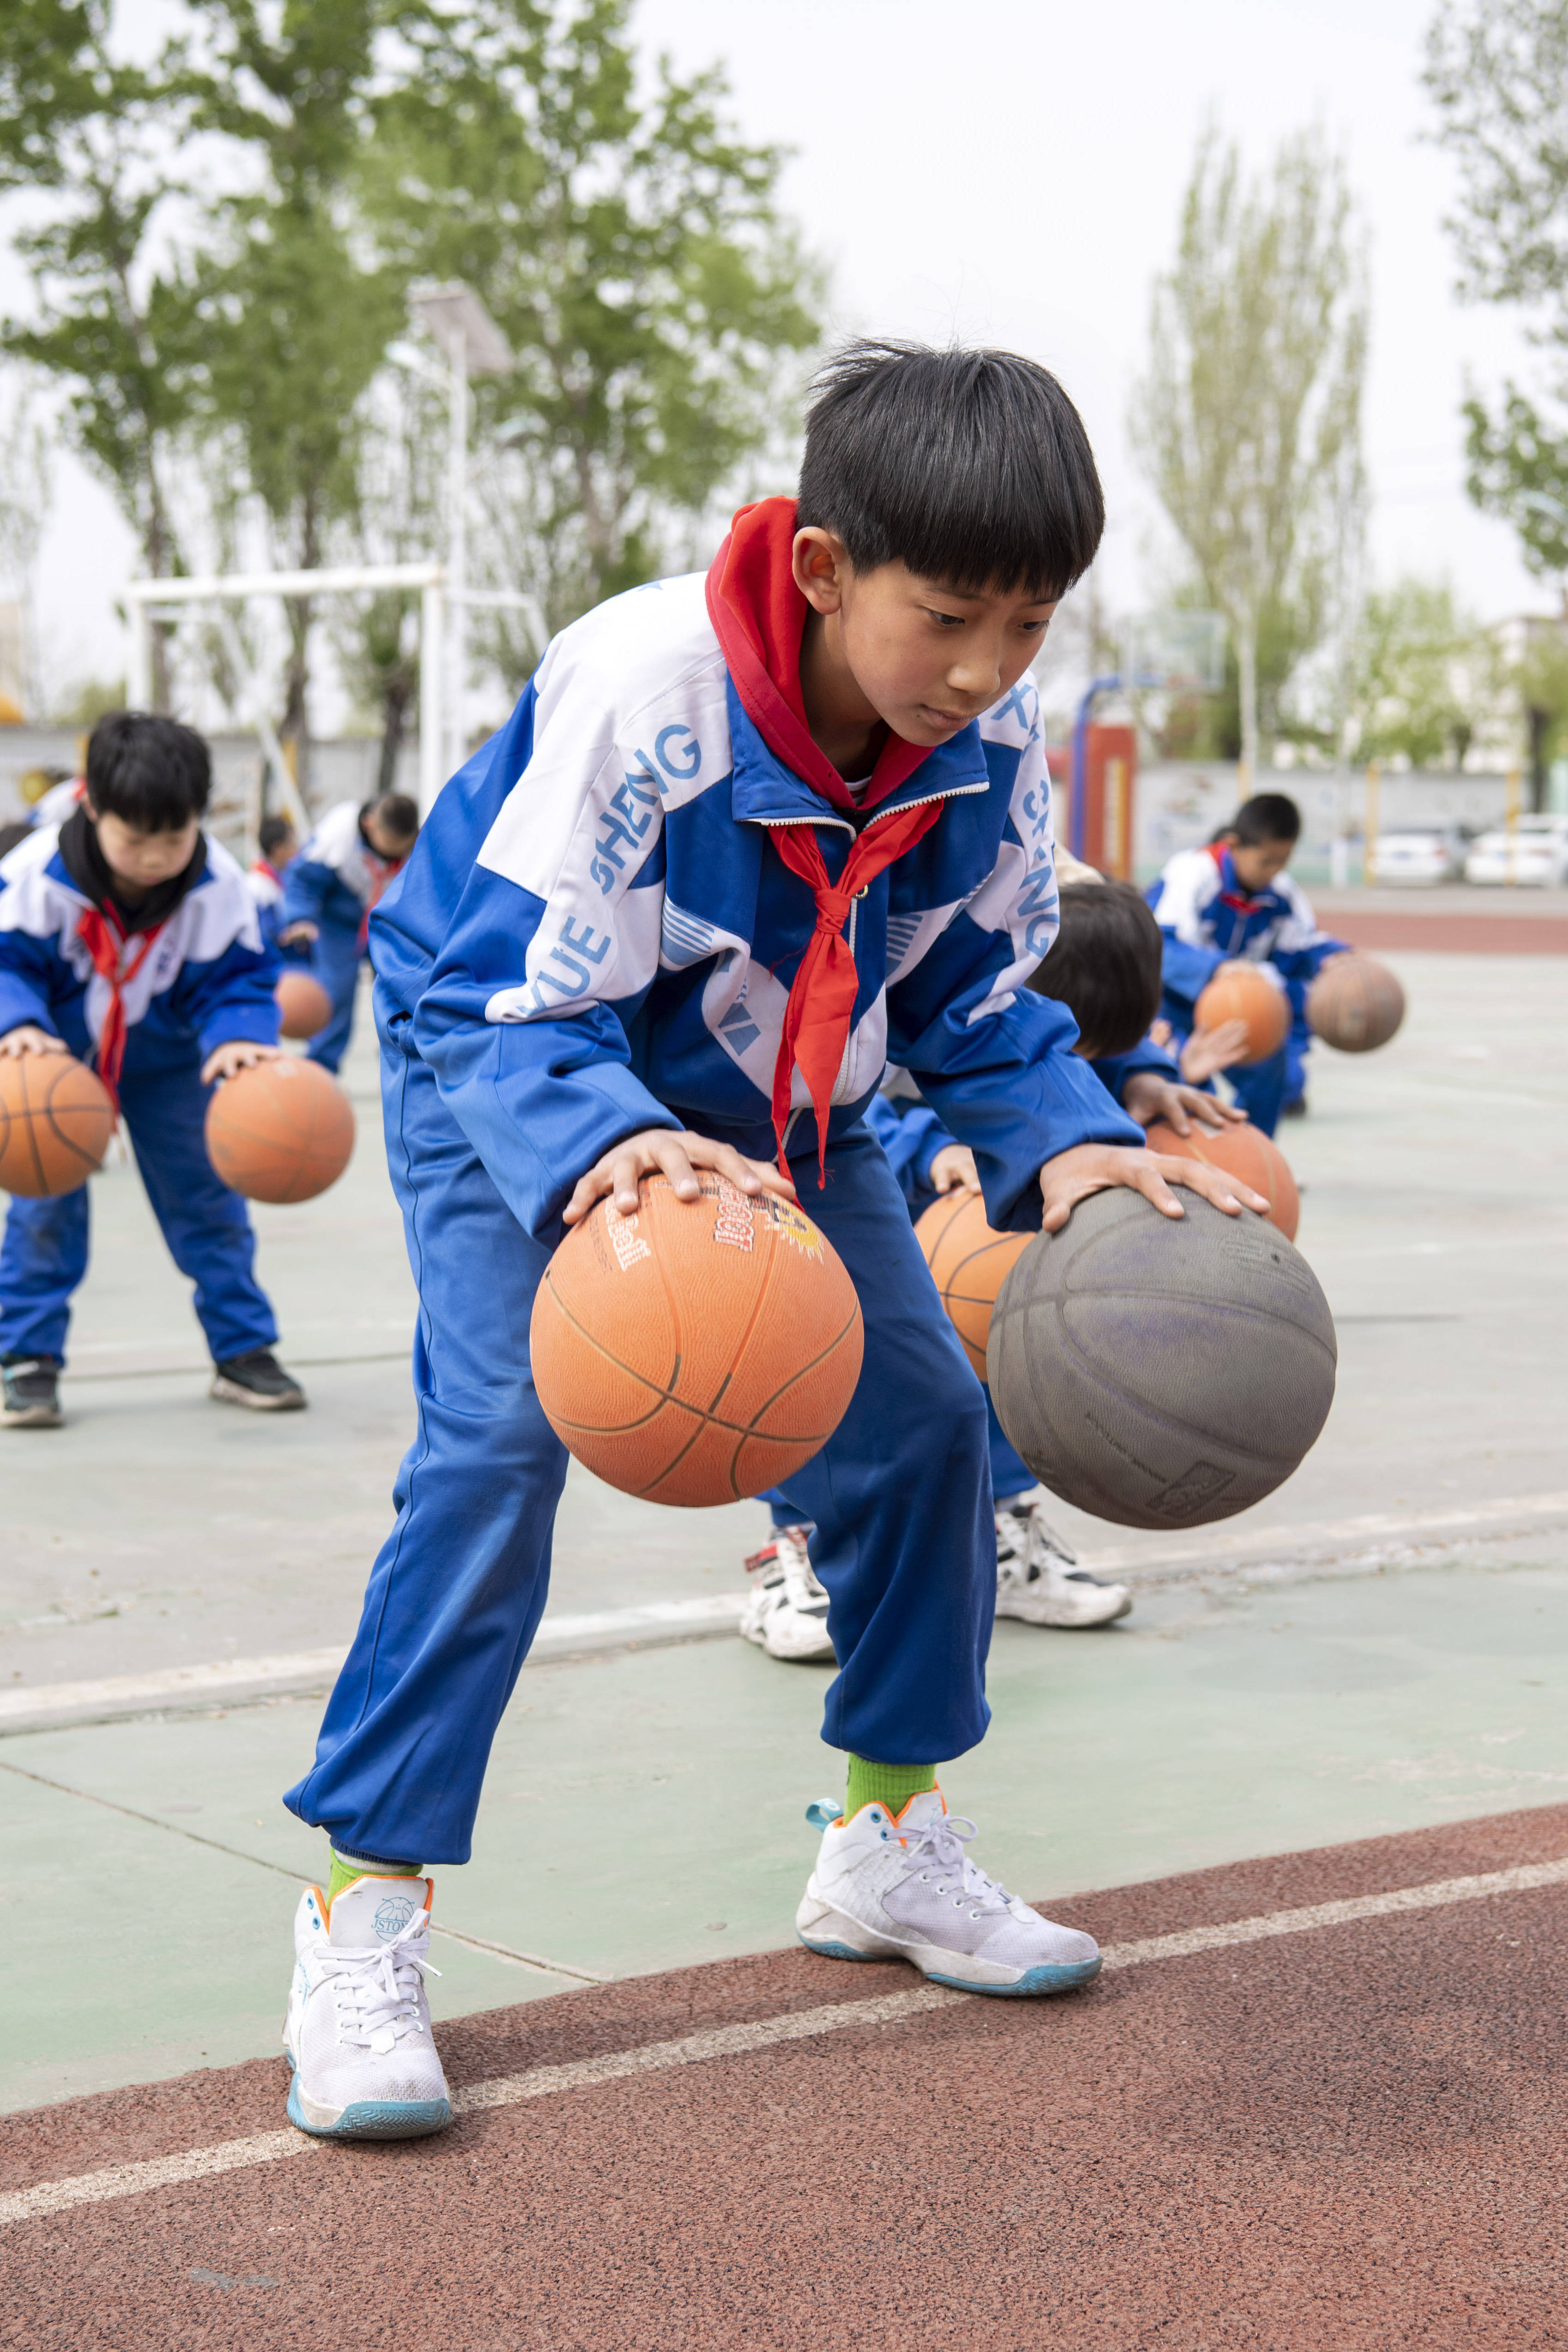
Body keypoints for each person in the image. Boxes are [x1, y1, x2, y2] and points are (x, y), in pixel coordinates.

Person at [277, 340, 1264, 2144]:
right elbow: (507, 996)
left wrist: (1079, 1143)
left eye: (1029, 623)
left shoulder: (986, 752)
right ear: (824, 570)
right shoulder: (647, 686)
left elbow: (971, 993)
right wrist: (624, 1158)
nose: (983, 668)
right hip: (513, 1056)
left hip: (776, 1102)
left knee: (925, 1434)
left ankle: (885, 1836)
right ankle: (365, 1905)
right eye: (948, 613)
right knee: (504, 1446)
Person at [742, 879, 1250, 1652]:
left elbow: (1082, 1040)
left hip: (984, 1242)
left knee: (1013, 1367)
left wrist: (1141, 1074)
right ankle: (794, 1547)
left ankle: (1005, 1531)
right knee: (813, 1376)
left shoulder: (1062, 935)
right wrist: (934, 1149)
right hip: (866, 1216)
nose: (1085, 1065)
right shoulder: (929, 952)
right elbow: (846, 1102)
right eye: (1081, 1051)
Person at [0, 712, 306, 1430]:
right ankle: (26, 1356)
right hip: (58, 1054)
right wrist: (15, 1024)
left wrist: (235, 1038)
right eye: (134, 839)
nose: (152, 858)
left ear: (199, 819)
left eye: (173, 839)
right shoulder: (32, 876)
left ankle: (243, 1348)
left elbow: (240, 979)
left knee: (210, 1198)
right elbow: (6, 960)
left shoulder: (219, 886)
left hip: (169, 1059)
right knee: (43, 1198)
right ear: (92, 808)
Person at [1146, 793, 1349, 1133]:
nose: (1274, 871)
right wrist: (1214, 968)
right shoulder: (1191, 873)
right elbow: (1155, 946)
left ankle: (1253, 1162)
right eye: (1266, 861)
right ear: (1234, 845)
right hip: (1171, 1009)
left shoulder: (1281, 894)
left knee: (1274, 1068)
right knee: (1188, 1091)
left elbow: (1299, 949)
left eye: (1283, 861)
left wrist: (1334, 959)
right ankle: (1187, 1171)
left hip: (1235, 1013)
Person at [278, 792, 419, 1071]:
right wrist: (301, 917)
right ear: (369, 824)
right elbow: (303, 879)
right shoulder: (339, 832)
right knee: (335, 996)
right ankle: (321, 1069)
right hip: (339, 922)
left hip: (387, 922)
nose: (393, 854)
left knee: (403, 989)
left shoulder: (421, 841)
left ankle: (405, 1061)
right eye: (389, 846)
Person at [245, 815, 300, 952]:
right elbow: (267, 937)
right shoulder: (258, 887)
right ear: (278, 849)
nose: (297, 849)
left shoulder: (277, 876)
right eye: (292, 843)